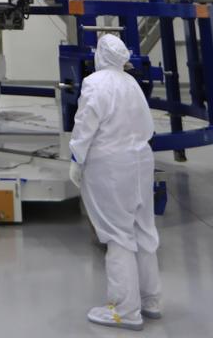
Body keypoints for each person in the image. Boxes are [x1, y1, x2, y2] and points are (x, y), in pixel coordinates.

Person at [69, 32, 161, 331]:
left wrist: (76, 158)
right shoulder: (131, 83)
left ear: (101, 55)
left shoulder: (96, 83)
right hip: (141, 160)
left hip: (110, 165)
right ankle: (151, 299)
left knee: (117, 234)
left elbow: (86, 125)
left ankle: (125, 310)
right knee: (143, 229)